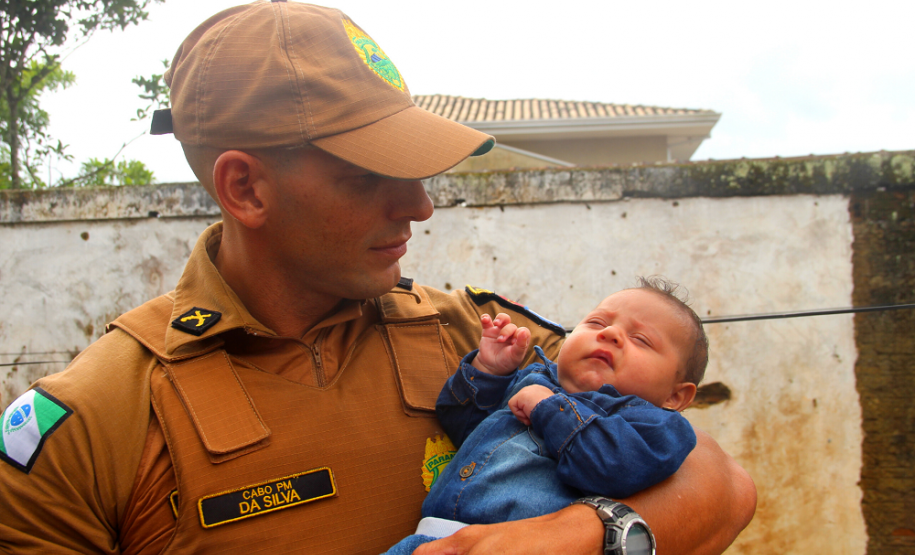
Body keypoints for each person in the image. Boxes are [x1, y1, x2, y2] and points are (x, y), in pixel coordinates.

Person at [0, 2, 755, 554]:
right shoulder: (98, 419)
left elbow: (719, 482)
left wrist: (581, 535)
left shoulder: (469, 334)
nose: (419, 204)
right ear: (246, 189)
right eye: (371, 174)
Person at [384, 279, 706, 554]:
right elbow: (463, 427)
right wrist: (488, 373)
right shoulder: (533, 378)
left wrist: (549, 409)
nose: (610, 334)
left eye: (641, 339)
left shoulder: (655, 425)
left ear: (676, 396)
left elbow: (611, 469)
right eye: (596, 322)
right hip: (430, 538)